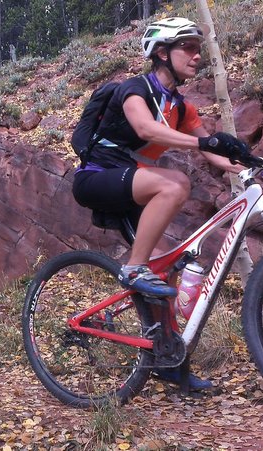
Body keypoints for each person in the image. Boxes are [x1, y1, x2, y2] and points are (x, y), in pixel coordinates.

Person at [71, 17, 250, 390]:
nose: (197, 55)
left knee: (165, 265)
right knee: (175, 184)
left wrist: (257, 165)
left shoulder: (182, 108)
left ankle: (167, 360)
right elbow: (146, 130)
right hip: (98, 177)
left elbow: (215, 154)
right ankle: (133, 268)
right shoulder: (135, 89)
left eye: (199, 49)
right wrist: (206, 143)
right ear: (163, 53)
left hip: (133, 182)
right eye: (189, 47)